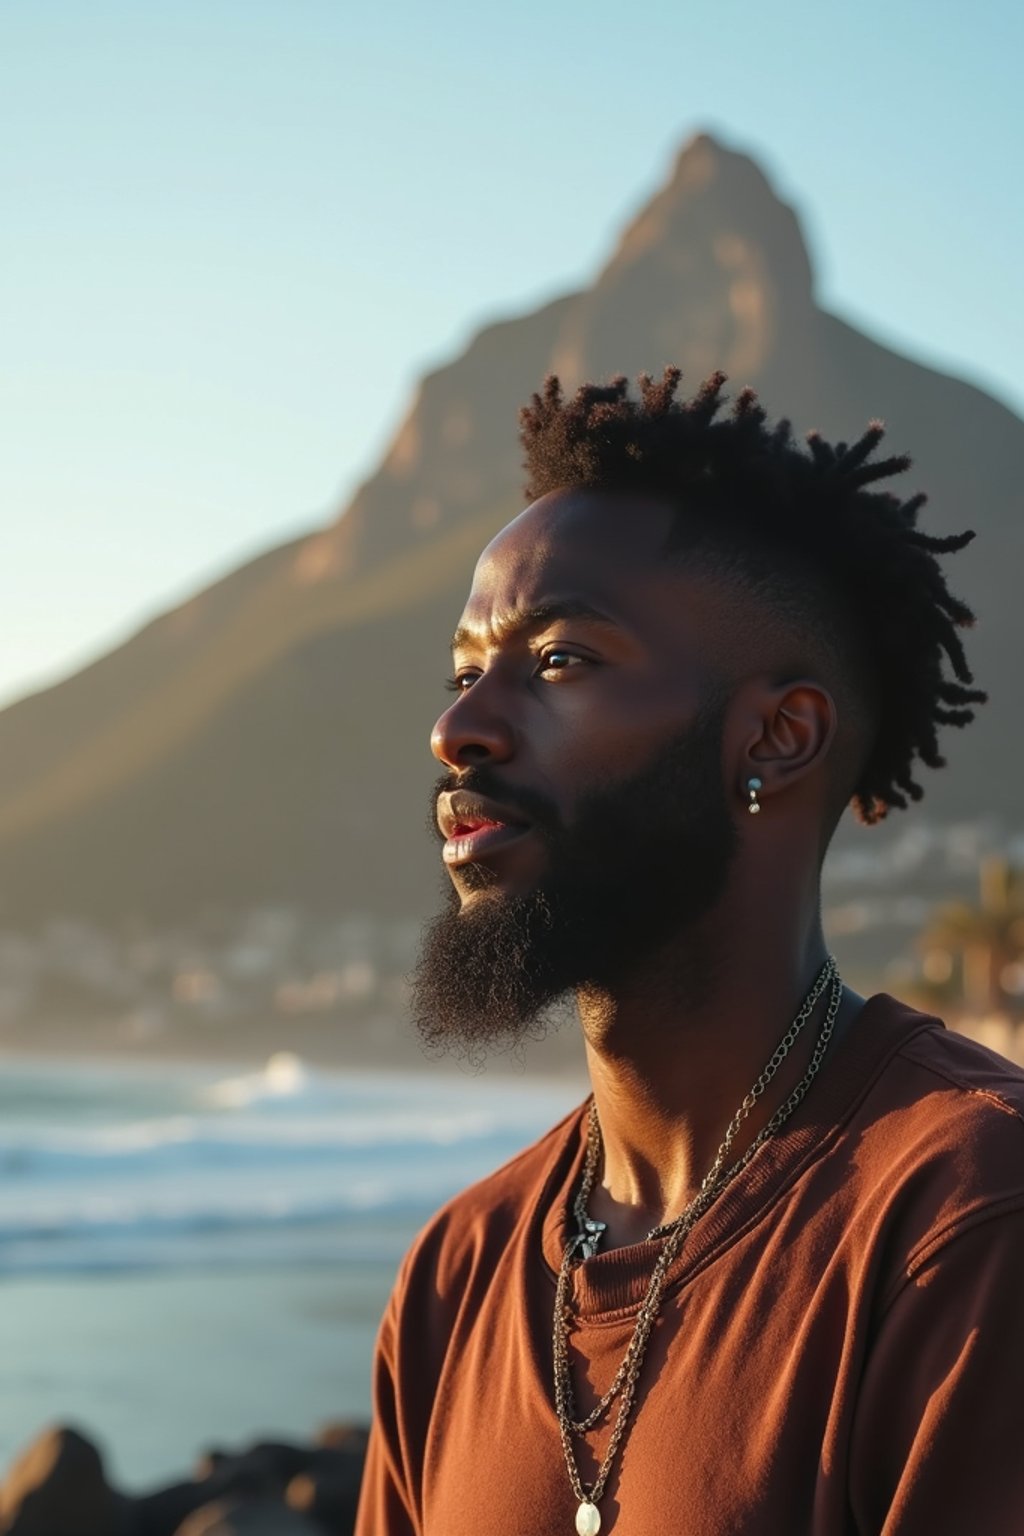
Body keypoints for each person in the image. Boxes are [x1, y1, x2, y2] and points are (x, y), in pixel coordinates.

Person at [354, 369, 1024, 1535]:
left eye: (559, 660)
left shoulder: (965, 1225)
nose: (456, 726)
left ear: (776, 735)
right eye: (466, 672)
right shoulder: (451, 1280)